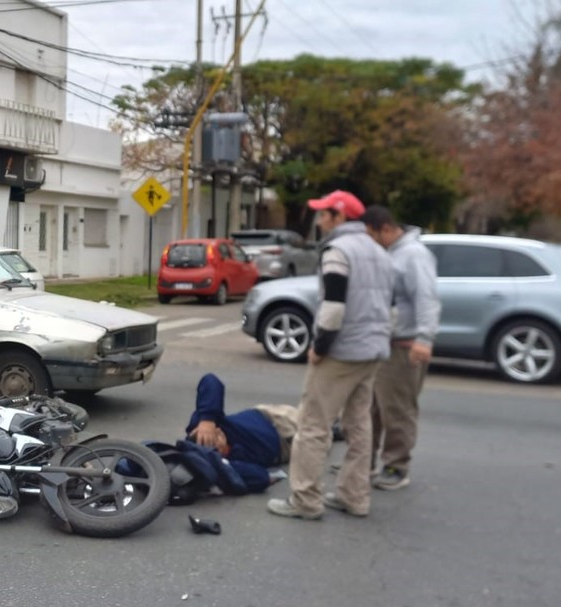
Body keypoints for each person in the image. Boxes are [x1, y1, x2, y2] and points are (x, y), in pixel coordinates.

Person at [267, 190, 393, 521]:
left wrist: (320, 346)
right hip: (373, 349)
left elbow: (334, 307)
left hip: (343, 350)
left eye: (324, 214)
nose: (320, 220)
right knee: (359, 422)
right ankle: (355, 496)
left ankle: (306, 500)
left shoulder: (338, 250)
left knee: (313, 424)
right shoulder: (379, 252)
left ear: (340, 217)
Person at [361, 206, 440, 491]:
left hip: (403, 345)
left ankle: (397, 465)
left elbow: (426, 298)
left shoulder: (413, 254)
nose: (369, 241)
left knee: (397, 409)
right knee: (372, 408)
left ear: (384, 229)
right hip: (383, 342)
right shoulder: (392, 252)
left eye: (371, 234)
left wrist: (423, 339)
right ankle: (364, 462)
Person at [186, 373, 299, 487]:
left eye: (212, 434)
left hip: (276, 418)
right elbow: (262, 477)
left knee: (313, 417)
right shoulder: (228, 464)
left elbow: (211, 380)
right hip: (285, 445)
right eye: (214, 440)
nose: (219, 432)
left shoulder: (205, 424)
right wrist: (226, 455)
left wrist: (207, 421)